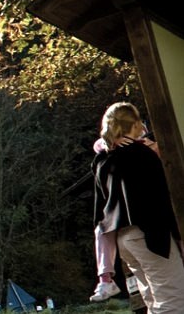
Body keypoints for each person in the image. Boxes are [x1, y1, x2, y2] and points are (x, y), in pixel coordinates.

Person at [93, 102, 184, 312]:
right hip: (148, 235)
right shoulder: (142, 155)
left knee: (152, 299)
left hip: (123, 240)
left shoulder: (103, 161)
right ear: (135, 125)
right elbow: (160, 198)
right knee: (173, 299)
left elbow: (100, 208)